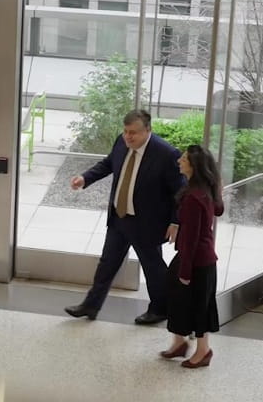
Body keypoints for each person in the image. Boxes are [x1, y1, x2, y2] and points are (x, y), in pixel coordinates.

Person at [64, 109, 184, 324]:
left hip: (147, 223)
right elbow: (109, 164)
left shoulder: (166, 154)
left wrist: (176, 221)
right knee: (107, 264)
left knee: (153, 267)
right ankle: (91, 306)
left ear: (148, 130)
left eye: (134, 133)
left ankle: (160, 309)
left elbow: (180, 191)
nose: (128, 137)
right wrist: (85, 178)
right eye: (126, 131)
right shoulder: (122, 142)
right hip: (120, 218)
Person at [159, 145, 224, 368]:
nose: (179, 161)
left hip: (197, 261)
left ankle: (203, 351)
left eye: (184, 159)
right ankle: (179, 342)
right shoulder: (202, 190)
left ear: (193, 166)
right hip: (199, 258)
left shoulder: (194, 198)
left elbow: (191, 239)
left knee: (199, 306)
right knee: (178, 296)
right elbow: (219, 209)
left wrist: (185, 271)